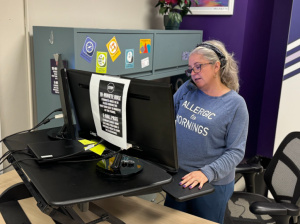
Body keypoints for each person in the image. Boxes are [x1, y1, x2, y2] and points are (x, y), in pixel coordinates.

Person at [164, 40, 249, 224]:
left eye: (198, 67)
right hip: (179, 176)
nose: (193, 74)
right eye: (190, 69)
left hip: (210, 182)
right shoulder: (188, 89)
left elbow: (236, 152)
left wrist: (206, 173)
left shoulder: (236, 105)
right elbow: (166, 115)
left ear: (216, 66)